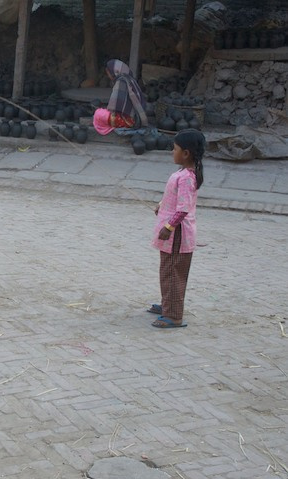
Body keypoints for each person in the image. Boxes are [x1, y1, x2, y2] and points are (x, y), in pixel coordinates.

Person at [149, 129, 205, 328]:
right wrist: (161, 205)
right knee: (167, 270)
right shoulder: (181, 174)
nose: (173, 152)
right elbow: (174, 198)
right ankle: (167, 305)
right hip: (172, 233)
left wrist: (168, 227)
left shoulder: (187, 178)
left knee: (174, 273)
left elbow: (182, 209)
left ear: (186, 153)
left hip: (178, 235)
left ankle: (173, 315)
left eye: (175, 149)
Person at [92, 59, 149, 135]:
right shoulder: (130, 79)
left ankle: (106, 126)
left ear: (114, 72)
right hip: (137, 118)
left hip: (130, 121)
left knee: (98, 114)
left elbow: (115, 108)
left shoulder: (121, 82)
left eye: (108, 73)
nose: (108, 76)